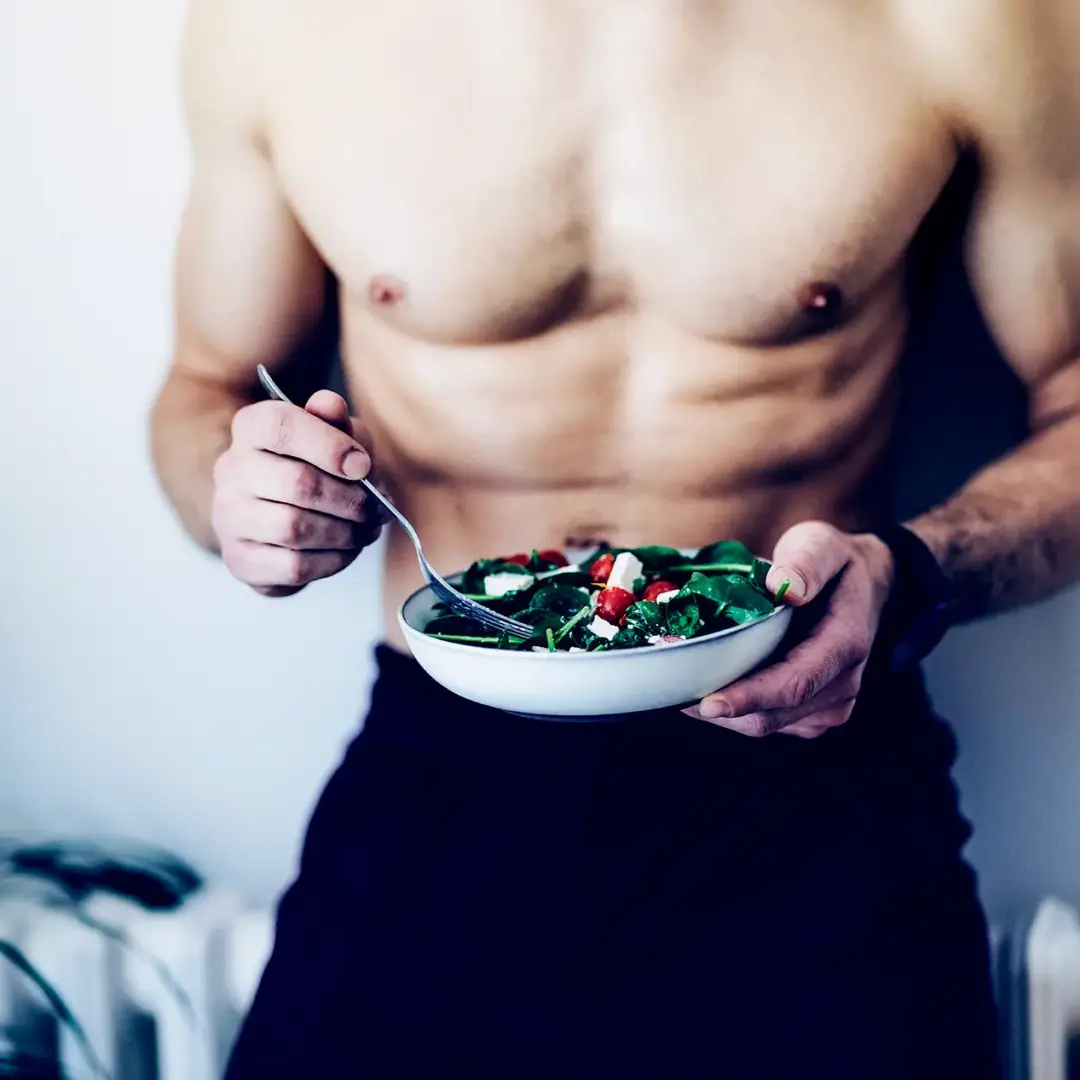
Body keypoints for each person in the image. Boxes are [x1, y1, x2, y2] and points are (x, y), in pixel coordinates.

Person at [151, 1, 1080, 1076]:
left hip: (818, 780)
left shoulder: (967, 18)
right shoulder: (279, 27)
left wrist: (915, 571)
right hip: (446, 775)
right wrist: (245, 498)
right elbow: (203, 388)